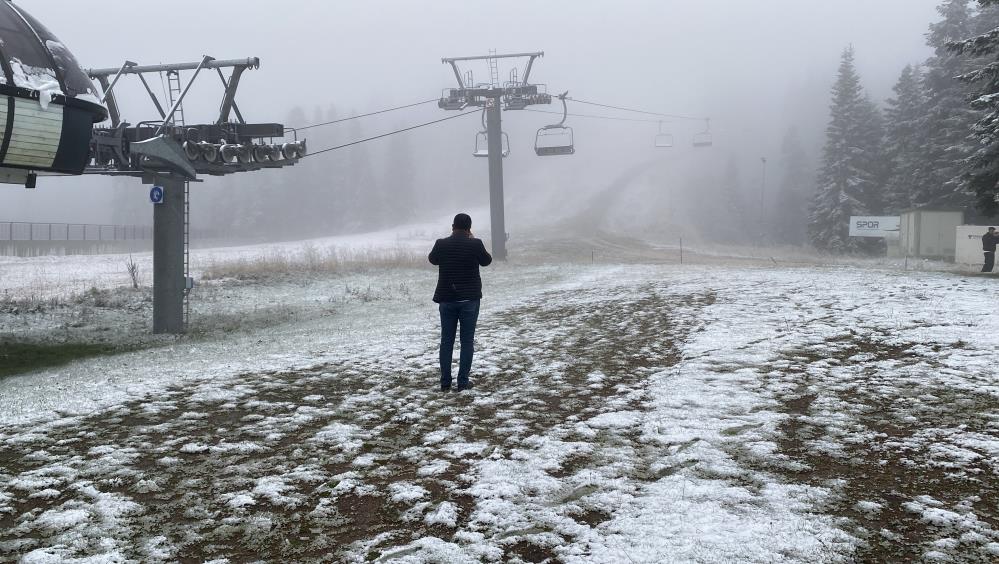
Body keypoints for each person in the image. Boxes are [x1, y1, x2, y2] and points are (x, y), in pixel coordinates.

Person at [428, 213, 492, 392]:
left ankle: (445, 382)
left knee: (446, 341)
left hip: (447, 299)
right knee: (467, 341)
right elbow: (487, 261)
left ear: (452, 226)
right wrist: (472, 239)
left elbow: (432, 259)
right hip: (469, 300)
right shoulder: (475, 244)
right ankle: (463, 381)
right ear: (469, 228)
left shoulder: (441, 244)